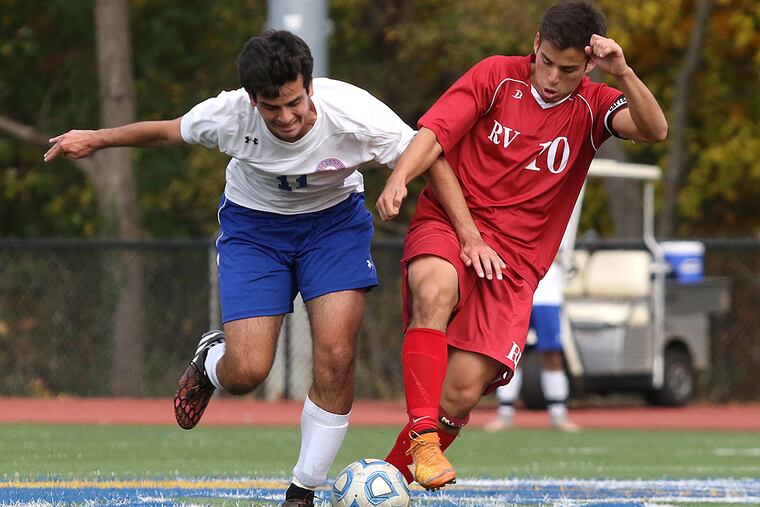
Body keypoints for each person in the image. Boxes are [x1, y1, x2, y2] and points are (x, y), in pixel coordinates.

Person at [44, 30, 422, 507]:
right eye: (271, 107)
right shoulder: (227, 115)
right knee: (246, 372)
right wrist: (95, 139)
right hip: (255, 232)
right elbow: (166, 131)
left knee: (336, 355)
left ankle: (302, 491)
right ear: (251, 100)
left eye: (295, 103)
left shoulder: (353, 109)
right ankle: (211, 360)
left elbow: (423, 148)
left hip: (334, 228)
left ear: (310, 85)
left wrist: (420, 194)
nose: (285, 117)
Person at [375, 0, 667, 490]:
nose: (551, 76)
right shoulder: (496, 76)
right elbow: (435, 132)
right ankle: (422, 440)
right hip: (451, 224)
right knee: (433, 287)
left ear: (590, 65)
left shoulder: (594, 105)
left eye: (567, 69)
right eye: (546, 61)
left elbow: (655, 130)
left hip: (515, 265)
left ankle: (384, 483)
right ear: (535, 44)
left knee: (461, 393)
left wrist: (625, 72)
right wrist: (399, 177)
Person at [484, 252, 580, 433]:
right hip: (518, 293)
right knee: (511, 352)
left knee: (552, 354)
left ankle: (558, 414)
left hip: (549, 297)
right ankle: (505, 413)